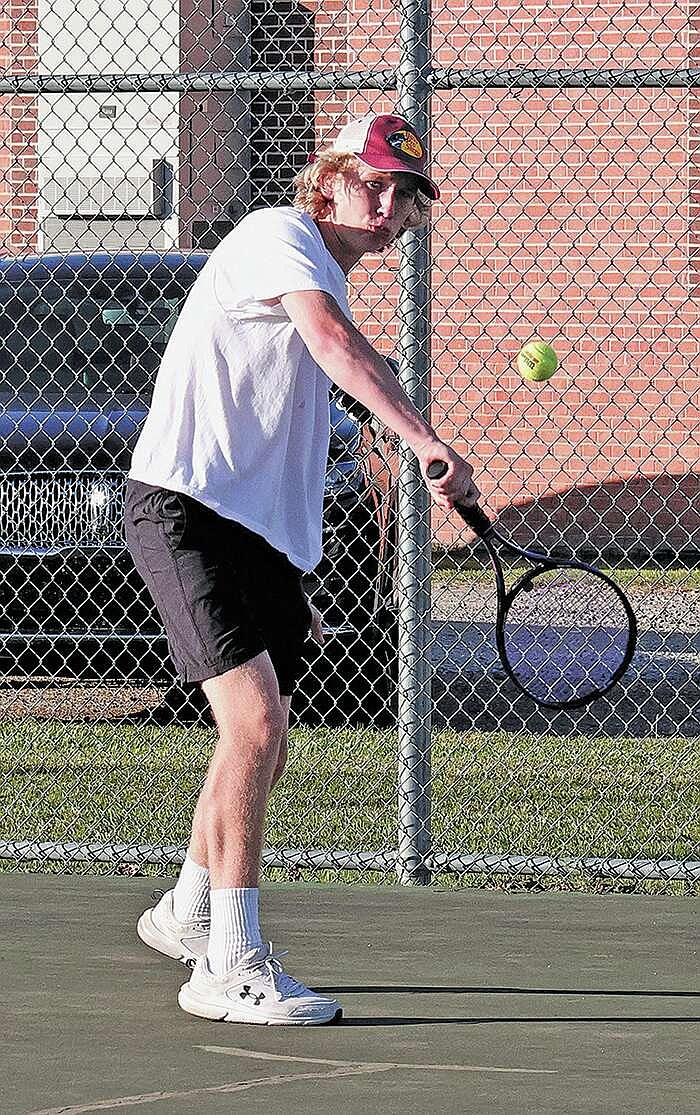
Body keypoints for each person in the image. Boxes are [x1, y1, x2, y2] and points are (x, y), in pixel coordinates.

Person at [124, 111, 480, 1026]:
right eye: (375, 183)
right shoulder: (277, 236)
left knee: (266, 735)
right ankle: (229, 966)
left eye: (405, 194)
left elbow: (309, 385)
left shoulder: (321, 275)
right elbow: (327, 345)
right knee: (253, 721)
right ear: (329, 182)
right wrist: (426, 439)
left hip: (255, 535)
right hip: (186, 509)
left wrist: (313, 545)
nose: (390, 205)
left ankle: (190, 908)